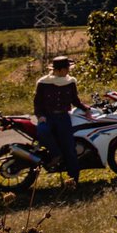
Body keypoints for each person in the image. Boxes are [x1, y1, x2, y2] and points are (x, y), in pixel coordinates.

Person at [34, 55, 88, 187]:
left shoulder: (70, 82)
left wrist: (86, 109)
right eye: (66, 68)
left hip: (63, 117)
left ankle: (73, 180)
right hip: (48, 116)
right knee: (42, 131)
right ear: (58, 70)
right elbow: (37, 102)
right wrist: (40, 116)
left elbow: (75, 100)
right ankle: (56, 154)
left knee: (70, 148)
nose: (68, 71)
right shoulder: (43, 83)